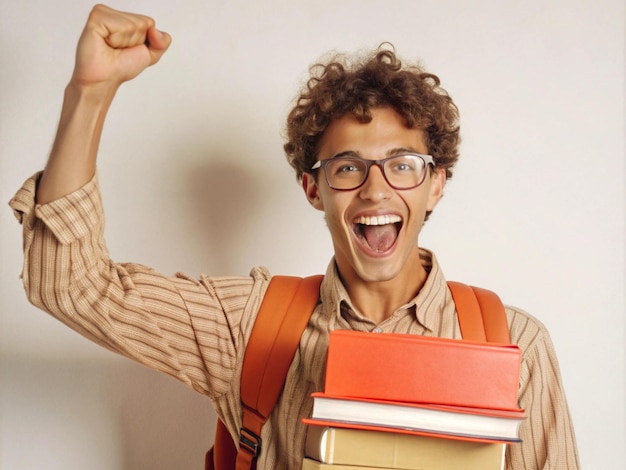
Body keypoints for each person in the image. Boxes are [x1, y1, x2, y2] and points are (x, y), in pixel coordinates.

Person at [9, 4, 579, 469]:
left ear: (436, 185)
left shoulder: (515, 346)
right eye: (348, 167)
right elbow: (71, 285)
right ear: (314, 189)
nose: (376, 191)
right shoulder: (251, 327)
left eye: (402, 164)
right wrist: (89, 92)